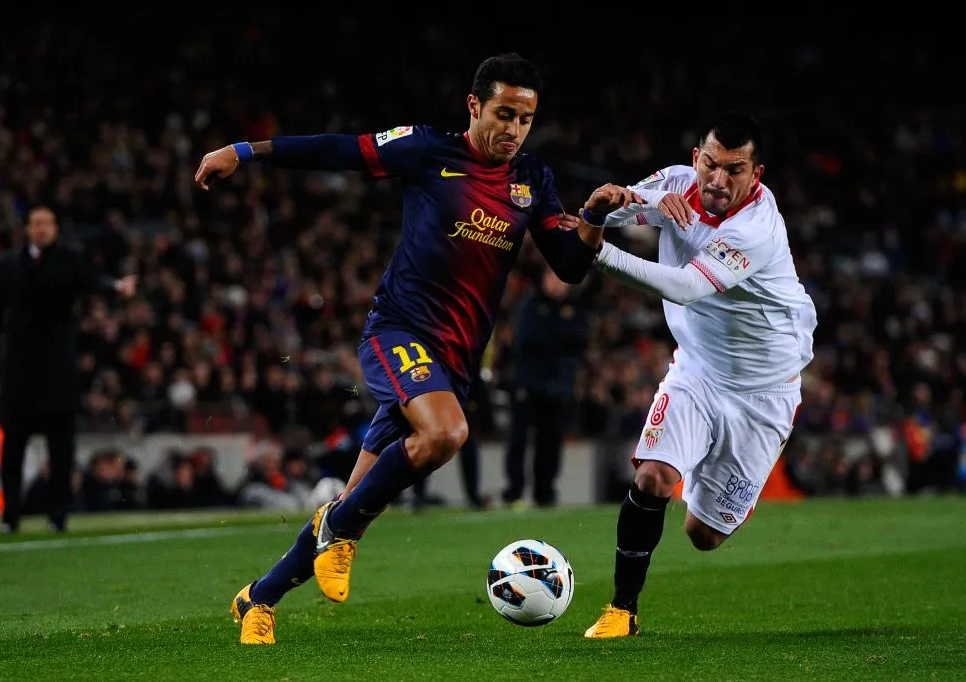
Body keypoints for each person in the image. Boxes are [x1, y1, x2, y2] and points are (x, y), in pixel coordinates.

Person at [193, 52, 599, 644]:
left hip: (453, 364)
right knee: (445, 434)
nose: (513, 130)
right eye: (503, 114)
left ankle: (258, 598)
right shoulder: (428, 149)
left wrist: (593, 217)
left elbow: (568, 266)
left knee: (362, 493)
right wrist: (247, 151)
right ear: (474, 106)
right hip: (399, 334)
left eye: (525, 119)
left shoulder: (532, 180)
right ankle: (344, 528)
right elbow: (338, 149)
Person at [570, 112, 817, 638]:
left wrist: (597, 250)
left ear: (757, 174)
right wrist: (607, 204)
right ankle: (622, 611)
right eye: (710, 165)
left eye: (735, 169)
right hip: (698, 370)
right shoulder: (675, 185)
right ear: (694, 159)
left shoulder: (757, 228)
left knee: (703, 535)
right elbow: (605, 213)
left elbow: (684, 287)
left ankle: (725, 487)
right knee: (653, 476)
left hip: (763, 391)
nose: (718, 180)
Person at [0, 206, 135, 534]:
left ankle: (57, 515)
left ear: (55, 228)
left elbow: (93, 281)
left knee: (61, 448)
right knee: (13, 447)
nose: (42, 228)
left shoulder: (69, 260)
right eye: (36, 223)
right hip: (18, 371)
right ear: (27, 229)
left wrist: (116, 287)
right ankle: (10, 515)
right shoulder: (8, 265)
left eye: (47, 223)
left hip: (57, 370)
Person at [502, 265, 591, 508]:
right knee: (519, 440)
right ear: (544, 278)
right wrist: (561, 337)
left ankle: (545, 491)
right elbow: (527, 339)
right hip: (527, 384)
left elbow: (581, 339)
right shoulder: (530, 304)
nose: (559, 284)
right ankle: (514, 490)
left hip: (559, 386)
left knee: (551, 442)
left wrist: (554, 336)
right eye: (554, 277)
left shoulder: (574, 307)